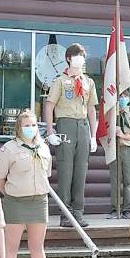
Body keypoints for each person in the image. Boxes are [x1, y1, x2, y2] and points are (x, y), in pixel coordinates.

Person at [0, 110, 55, 258]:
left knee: (37, 247)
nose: (31, 129)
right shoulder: (9, 149)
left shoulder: (43, 147)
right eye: (26, 125)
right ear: (19, 128)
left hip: (39, 201)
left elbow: (47, 172)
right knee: (11, 248)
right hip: (16, 202)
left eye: (34, 125)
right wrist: (11, 194)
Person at [44, 43, 99, 228]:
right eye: (76, 56)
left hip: (82, 125)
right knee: (66, 171)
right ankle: (65, 214)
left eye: (82, 56)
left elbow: (91, 109)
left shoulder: (88, 82)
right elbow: (49, 105)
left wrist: (93, 135)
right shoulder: (60, 81)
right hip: (65, 124)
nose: (80, 59)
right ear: (68, 58)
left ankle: (78, 212)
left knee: (80, 171)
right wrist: (50, 131)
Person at [107, 89, 130, 219]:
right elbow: (104, 131)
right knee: (115, 180)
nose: (122, 98)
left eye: (124, 96)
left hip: (128, 149)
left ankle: (127, 209)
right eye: (120, 96)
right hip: (115, 149)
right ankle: (115, 209)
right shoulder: (111, 115)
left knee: (128, 181)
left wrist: (124, 136)